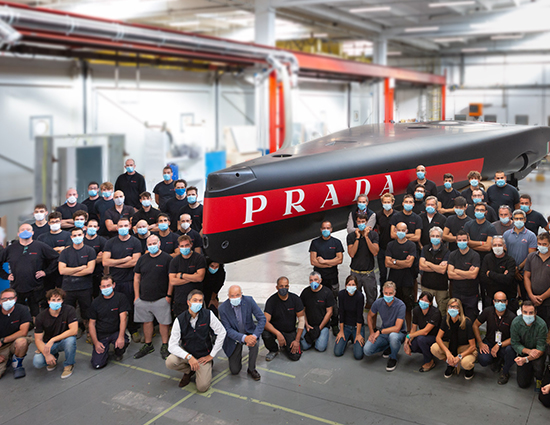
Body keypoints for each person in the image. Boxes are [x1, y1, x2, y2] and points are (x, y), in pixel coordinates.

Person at [166, 289, 226, 391]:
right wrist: (189, 357)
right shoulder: (180, 320)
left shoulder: (208, 315)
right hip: (187, 354)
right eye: (195, 300)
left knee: (202, 387)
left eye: (200, 301)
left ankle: (205, 366)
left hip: (203, 356)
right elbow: (172, 345)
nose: (198, 303)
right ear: (188, 302)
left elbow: (222, 332)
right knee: (170, 362)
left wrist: (211, 355)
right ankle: (189, 370)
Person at [0, 224, 58, 318]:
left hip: (35, 287)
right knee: (18, 313)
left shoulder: (40, 246)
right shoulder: (10, 249)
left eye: (28, 229)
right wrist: (5, 275)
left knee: (37, 313)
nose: (25, 231)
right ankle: (21, 330)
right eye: (22, 229)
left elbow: (55, 258)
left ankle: (37, 330)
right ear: (18, 233)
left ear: (32, 232)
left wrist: (46, 272)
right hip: (17, 286)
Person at [133, 235, 172, 360]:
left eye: (154, 243)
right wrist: (136, 297)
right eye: (149, 244)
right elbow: (136, 278)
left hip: (161, 298)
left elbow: (171, 279)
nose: (152, 246)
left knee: (163, 323)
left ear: (159, 243)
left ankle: (165, 345)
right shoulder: (142, 259)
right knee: (147, 322)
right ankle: (148, 344)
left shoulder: (167, 259)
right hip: (143, 299)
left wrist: (168, 296)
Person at [102, 218, 142, 342]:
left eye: (125, 225)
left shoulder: (135, 242)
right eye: (120, 225)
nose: (123, 227)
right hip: (115, 281)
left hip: (130, 281)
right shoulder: (110, 242)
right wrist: (124, 260)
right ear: (117, 228)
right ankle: (116, 331)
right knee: (114, 307)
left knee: (130, 306)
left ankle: (133, 329)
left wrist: (114, 263)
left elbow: (134, 262)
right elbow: (105, 261)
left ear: (130, 226)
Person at [219, 285, 266, 380]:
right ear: (228, 296)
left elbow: (262, 318)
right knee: (235, 371)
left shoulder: (249, 301)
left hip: (250, 333)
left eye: (237, 295)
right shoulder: (222, 309)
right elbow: (227, 330)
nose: (235, 298)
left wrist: (254, 336)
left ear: (241, 294)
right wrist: (244, 338)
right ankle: (236, 356)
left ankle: (252, 369)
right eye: (232, 296)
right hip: (234, 338)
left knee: (254, 344)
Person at [58, 227, 97, 339]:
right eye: (74, 235)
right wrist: (80, 268)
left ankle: (90, 332)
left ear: (83, 235)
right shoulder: (65, 252)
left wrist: (70, 271)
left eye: (79, 234)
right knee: (68, 312)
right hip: (68, 288)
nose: (77, 237)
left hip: (85, 287)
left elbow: (89, 270)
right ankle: (72, 331)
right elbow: (62, 270)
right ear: (71, 237)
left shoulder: (90, 251)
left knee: (87, 312)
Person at [472, 291, 516, 385]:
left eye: (503, 301)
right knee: (483, 360)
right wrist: (480, 343)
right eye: (497, 301)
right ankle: (496, 360)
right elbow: (475, 325)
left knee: (511, 351)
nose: (500, 303)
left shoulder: (512, 317)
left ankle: (505, 371)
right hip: (489, 342)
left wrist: (499, 345)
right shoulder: (488, 311)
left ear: (507, 302)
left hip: (504, 345)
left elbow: (515, 338)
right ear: (493, 302)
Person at [33, 288, 78, 379]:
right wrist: (47, 354)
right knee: (37, 362)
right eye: (53, 300)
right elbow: (38, 339)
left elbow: (74, 330)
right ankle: (53, 358)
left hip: (63, 340)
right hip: (48, 344)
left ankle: (68, 365)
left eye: (58, 300)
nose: (56, 302)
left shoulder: (69, 310)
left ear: (62, 301)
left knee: (71, 340)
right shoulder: (40, 317)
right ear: (48, 301)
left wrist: (53, 339)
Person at [309, 220, 344, 335]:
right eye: (324, 228)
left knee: (333, 301)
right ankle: (320, 323)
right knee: (317, 300)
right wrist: (330, 263)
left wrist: (324, 261)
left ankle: (334, 324)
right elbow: (313, 261)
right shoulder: (315, 243)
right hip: (318, 278)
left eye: (328, 228)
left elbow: (340, 260)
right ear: (320, 229)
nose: (326, 230)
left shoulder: (337, 242)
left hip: (332, 278)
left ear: (331, 229)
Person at [88, 275, 130, 368]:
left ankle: (118, 352)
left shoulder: (121, 298)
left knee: (124, 342)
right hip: (101, 334)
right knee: (97, 365)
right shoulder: (95, 303)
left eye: (108, 285)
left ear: (114, 285)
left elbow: (123, 318)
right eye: (103, 286)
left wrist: (121, 337)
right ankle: (104, 352)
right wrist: (95, 342)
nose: (106, 288)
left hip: (115, 332)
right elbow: (91, 324)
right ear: (100, 287)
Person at [364, 281, 407, 371]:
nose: (388, 295)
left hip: (398, 333)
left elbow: (397, 328)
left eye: (390, 293)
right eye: (386, 293)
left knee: (393, 337)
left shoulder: (401, 305)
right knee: (367, 350)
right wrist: (372, 332)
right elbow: (369, 316)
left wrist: (379, 332)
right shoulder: (378, 303)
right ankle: (389, 346)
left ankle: (393, 357)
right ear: (383, 292)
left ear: (394, 293)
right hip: (384, 333)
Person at [430, 298, 477, 379]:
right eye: (450, 306)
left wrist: (459, 356)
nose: (452, 309)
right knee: (434, 348)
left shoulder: (467, 322)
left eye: (455, 307)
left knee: (466, 363)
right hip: (451, 345)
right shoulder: (446, 319)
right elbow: (438, 337)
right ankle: (450, 363)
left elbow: (473, 346)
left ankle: (469, 368)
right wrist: (447, 352)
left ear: (459, 309)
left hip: (464, 348)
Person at [262, 276, 305, 362]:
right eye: (281, 286)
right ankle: (273, 350)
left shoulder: (295, 299)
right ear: (277, 287)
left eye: (286, 286)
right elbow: (265, 322)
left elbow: (301, 320)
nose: (283, 288)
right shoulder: (271, 301)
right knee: (265, 333)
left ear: (288, 287)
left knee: (295, 356)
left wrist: (296, 340)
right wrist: (278, 334)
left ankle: (286, 345)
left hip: (289, 331)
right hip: (275, 330)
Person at [511, 301, 548, 391]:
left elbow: (541, 348)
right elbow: (514, 343)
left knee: (538, 366)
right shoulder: (516, 323)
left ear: (536, 312)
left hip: (538, 353)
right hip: (524, 351)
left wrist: (526, 360)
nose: (528, 315)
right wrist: (528, 352)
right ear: (521, 312)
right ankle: (529, 370)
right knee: (522, 384)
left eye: (531, 313)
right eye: (525, 312)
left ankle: (539, 378)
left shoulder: (541, 325)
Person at [385, 222, 416, 329]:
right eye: (399, 230)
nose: (401, 232)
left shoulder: (411, 245)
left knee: (407, 308)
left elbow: (409, 264)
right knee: (393, 307)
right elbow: (387, 263)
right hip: (394, 282)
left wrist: (394, 261)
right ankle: (394, 328)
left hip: (407, 281)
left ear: (407, 231)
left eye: (403, 230)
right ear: (395, 231)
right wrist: (402, 262)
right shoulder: (390, 245)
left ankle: (408, 330)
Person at [168, 235, 206, 317]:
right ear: (178, 247)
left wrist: (182, 275)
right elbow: (172, 281)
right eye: (182, 246)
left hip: (196, 300)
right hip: (180, 300)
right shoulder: (174, 261)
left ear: (191, 245)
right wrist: (192, 277)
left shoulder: (199, 258)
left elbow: (200, 278)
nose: (184, 248)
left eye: (186, 245)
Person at [347, 214, 379, 309]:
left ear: (367, 222)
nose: (361, 224)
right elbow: (352, 253)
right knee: (354, 299)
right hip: (355, 273)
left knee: (371, 299)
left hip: (368, 273)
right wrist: (357, 238)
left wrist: (366, 237)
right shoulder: (351, 236)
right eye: (359, 222)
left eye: (363, 222)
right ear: (356, 223)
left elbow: (374, 252)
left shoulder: (373, 235)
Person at [404, 291, 441, 372]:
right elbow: (414, 327)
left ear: (430, 303)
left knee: (421, 339)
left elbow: (425, 331)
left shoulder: (435, 313)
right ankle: (429, 353)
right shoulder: (417, 310)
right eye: (421, 299)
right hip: (423, 336)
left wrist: (409, 336)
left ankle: (429, 361)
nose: (423, 302)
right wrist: (408, 340)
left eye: (426, 301)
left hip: (435, 337)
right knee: (412, 345)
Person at [505, 209, 537, 302]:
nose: (518, 220)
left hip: (525, 272)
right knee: (511, 299)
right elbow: (505, 253)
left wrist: (518, 268)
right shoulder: (506, 234)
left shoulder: (531, 236)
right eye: (516, 218)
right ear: (513, 219)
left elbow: (531, 255)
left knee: (525, 299)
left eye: (521, 218)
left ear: (525, 219)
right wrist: (513, 270)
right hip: (510, 272)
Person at [447, 230, 480, 321]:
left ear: (468, 240)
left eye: (464, 240)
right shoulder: (452, 255)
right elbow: (450, 274)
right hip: (456, 292)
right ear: (456, 241)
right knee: (456, 319)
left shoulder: (475, 255)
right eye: (459, 240)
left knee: (470, 320)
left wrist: (457, 271)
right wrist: (467, 273)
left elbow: (473, 276)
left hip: (471, 294)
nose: (462, 242)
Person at [0, 288, 32, 379]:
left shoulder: (23, 310)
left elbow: (23, 332)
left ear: (15, 299)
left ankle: (17, 365)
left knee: (22, 342)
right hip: (1, 347)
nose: (8, 301)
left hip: (14, 341)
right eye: (4, 299)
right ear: (0, 301)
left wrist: (3, 340)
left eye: (11, 298)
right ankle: (7, 359)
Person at [480, 236, 517, 311]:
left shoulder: (510, 260)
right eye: (494, 245)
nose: (497, 247)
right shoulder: (487, 258)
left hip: (508, 298)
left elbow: (508, 280)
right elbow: (482, 277)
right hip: (490, 298)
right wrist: (502, 276)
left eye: (499, 245)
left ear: (504, 246)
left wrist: (490, 274)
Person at [300, 272, 335, 353]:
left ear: (320, 280)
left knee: (320, 348)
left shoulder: (327, 292)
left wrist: (319, 328)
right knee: (304, 346)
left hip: (322, 326)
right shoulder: (305, 292)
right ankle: (313, 338)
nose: (313, 282)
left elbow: (329, 312)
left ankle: (319, 337)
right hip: (308, 325)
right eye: (311, 280)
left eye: (316, 280)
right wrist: (306, 324)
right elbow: (302, 310)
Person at [419, 226, 450, 316]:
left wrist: (428, 263)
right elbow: (421, 266)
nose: (435, 238)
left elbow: (442, 270)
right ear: (429, 237)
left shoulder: (446, 251)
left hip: (441, 288)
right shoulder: (425, 249)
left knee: (442, 312)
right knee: (425, 310)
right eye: (433, 236)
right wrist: (436, 267)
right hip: (426, 285)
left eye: (437, 236)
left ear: (441, 238)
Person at [334, 275, 365, 360]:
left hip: (356, 326)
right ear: (345, 285)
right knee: (337, 352)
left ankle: (354, 335)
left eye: (353, 285)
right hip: (346, 326)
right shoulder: (341, 294)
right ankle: (349, 336)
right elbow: (341, 313)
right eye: (349, 284)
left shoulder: (360, 296)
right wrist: (341, 331)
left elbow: (359, 316)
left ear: (357, 286)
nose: (351, 287)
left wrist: (358, 334)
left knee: (358, 355)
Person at [524, 232, 550, 328]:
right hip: (532, 299)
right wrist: (531, 295)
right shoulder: (531, 257)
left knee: (546, 327)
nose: (541, 246)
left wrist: (542, 297)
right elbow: (526, 276)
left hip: (547, 302)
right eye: (539, 244)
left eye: (544, 244)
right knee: (531, 326)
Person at [375, 193, 396, 292]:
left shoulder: (397, 215)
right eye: (385, 202)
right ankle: (382, 293)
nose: (387, 204)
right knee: (382, 273)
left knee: (393, 273)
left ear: (392, 202)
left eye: (389, 202)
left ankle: (393, 292)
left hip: (394, 249)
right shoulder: (378, 215)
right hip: (382, 248)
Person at [83, 218, 107, 299]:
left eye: (94, 226)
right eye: (90, 226)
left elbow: (105, 257)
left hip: (98, 274)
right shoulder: (81, 240)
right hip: (83, 275)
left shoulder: (102, 241)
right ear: (85, 227)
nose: (92, 228)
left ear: (98, 228)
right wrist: (97, 257)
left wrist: (86, 260)